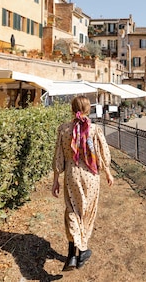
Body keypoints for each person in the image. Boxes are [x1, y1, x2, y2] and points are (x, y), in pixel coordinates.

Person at [52, 95, 114, 271]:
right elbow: (103, 154)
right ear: (89, 109)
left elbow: (59, 157)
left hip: (72, 175)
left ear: (72, 109)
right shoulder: (94, 130)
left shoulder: (64, 129)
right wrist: (108, 172)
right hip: (91, 176)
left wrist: (56, 180)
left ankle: (73, 256)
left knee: (72, 211)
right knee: (87, 213)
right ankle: (83, 250)